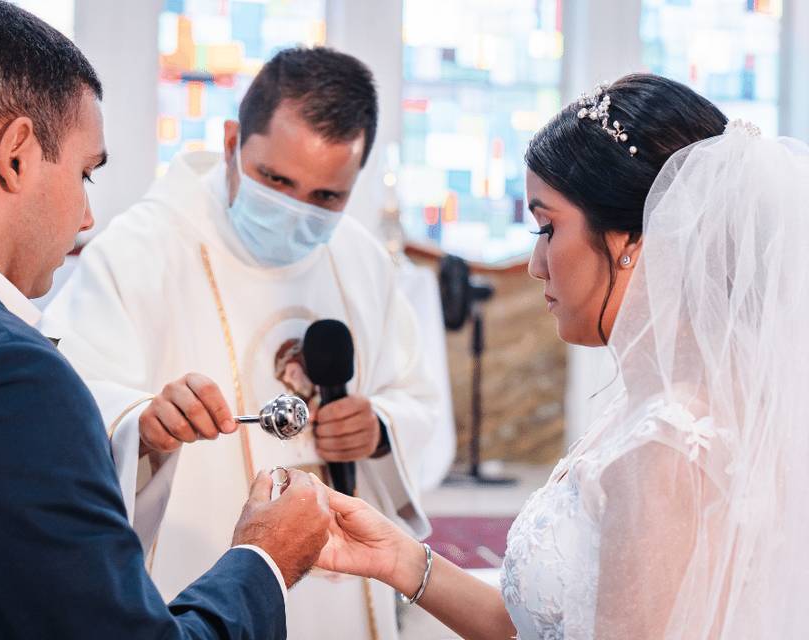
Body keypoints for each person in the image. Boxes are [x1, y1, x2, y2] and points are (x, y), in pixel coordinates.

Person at [0, 1, 331, 637]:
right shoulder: (5, 376)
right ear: (16, 154)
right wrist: (264, 561)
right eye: (85, 174)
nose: (85, 219)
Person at [313, 73, 809, 638]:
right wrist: (399, 559)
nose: (535, 265)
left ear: (632, 240)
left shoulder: (666, 448)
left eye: (547, 228)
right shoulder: (671, 407)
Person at [40, 47, 438, 639]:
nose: (295, 210)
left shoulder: (360, 260)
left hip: (341, 595)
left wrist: (379, 429)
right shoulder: (142, 248)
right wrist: (143, 423)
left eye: (326, 197)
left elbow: (418, 399)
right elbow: (65, 402)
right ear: (231, 142)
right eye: (276, 180)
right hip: (196, 581)